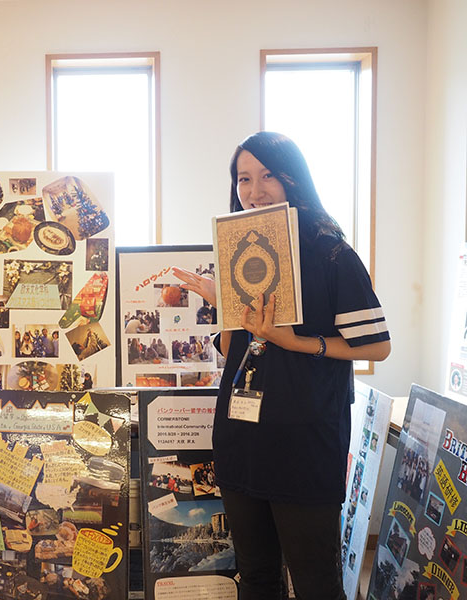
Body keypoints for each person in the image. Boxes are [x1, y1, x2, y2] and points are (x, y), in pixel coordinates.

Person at [173, 132, 391, 600]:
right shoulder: (235, 251)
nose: (254, 192)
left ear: (293, 178)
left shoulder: (331, 254)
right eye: (243, 179)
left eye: (267, 175)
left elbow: (377, 346)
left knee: (315, 584)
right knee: (256, 578)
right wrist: (223, 304)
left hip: (304, 442)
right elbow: (232, 350)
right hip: (241, 437)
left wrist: (296, 342)